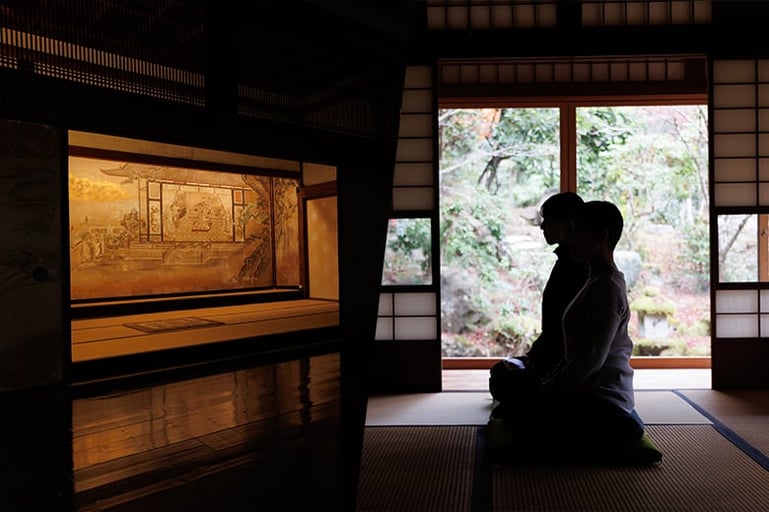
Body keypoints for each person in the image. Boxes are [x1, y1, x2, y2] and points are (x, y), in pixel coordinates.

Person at [491, 200, 644, 462]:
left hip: (603, 398)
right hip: (585, 389)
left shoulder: (606, 287)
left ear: (601, 236)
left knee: (515, 401)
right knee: (511, 389)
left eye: (576, 231)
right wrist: (544, 385)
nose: (570, 238)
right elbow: (574, 356)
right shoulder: (595, 279)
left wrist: (545, 393)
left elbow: (590, 361)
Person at [489, 191, 588, 404]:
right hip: (553, 355)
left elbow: (564, 335)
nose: (542, 227)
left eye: (549, 221)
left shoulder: (577, 267)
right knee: (500, 373)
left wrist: (538, 363)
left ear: (569, 224)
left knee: (503, 381)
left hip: (564, 362)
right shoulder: (568, 260)